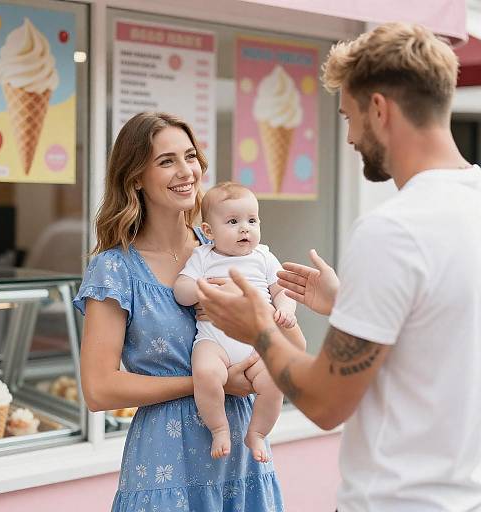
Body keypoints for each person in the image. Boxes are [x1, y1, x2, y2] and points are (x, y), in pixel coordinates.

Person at [196, 22, 481, 512]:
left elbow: (327, 404)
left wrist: (259, 326)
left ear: (379, 109)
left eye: (348, 116)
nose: (348, 137)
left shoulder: (393, 230)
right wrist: (348, 303)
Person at [73, 112, 291, 511]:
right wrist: (211, 381)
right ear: (135, 177)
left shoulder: (230, 250)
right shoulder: (115, 268)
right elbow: (99, 389)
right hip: (166, 461)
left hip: (242, 453)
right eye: (166, 161)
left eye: (190, 156)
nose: (186, 171)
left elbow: (288, 341)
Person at [173, 182, 298, 463]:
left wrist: (286, 310)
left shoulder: (263, 257)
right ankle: (219, 428)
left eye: (252, 221)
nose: (245, 228)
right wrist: (204, 289)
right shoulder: (202, 257)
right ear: (208, 232)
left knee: (274, 381)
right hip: (214, 341)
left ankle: (258, 433)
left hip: (256, 345)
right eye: (233, 221)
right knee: (205, 373)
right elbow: (181, 291)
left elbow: (283, 289)